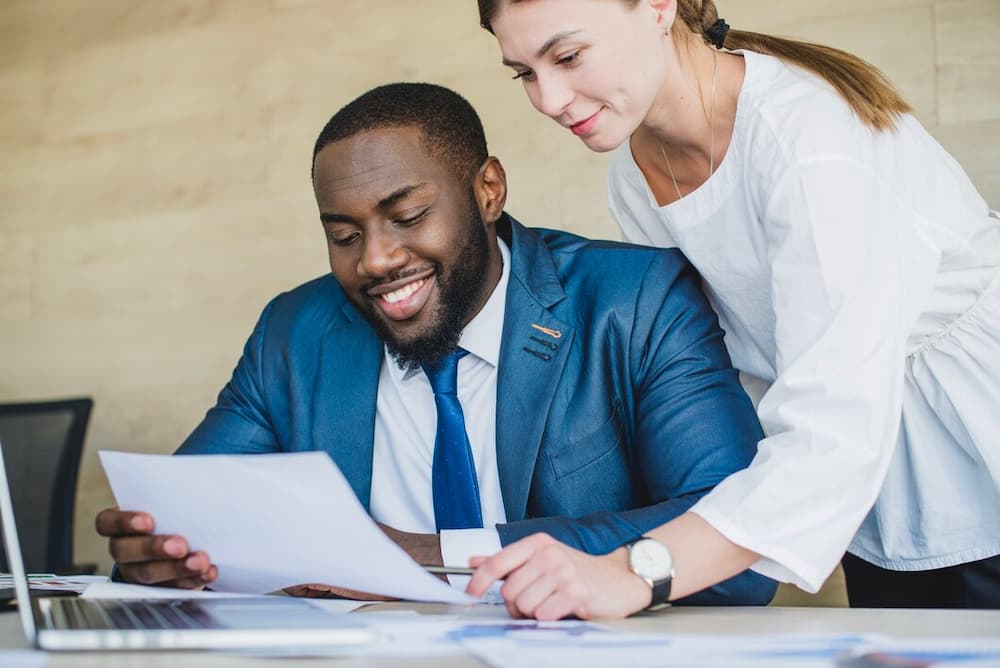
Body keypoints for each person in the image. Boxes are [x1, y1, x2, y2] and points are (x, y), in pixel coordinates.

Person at [94, 82, 776, 605]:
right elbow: (195, 514)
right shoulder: (294, 335)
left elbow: (741, 537)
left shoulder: (634, 301)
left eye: (409, 216)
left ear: (487, 190)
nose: (376, 260)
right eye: (344, 235)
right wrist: (157, 556)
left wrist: (420, 555)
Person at [469, 0, 1000, 616]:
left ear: (659, 9)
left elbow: (835, 423)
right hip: (868, 474)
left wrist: (633, 571)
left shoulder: (808, 141)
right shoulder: (635, 176)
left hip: (973, 429)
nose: (550, 99)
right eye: (525, 72)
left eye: (567, 57)